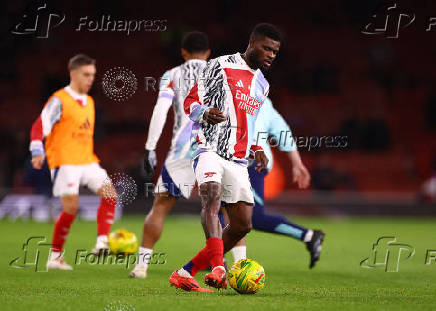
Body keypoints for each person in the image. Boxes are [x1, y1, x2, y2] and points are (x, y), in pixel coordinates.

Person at [169, 23, 280, 292]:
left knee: (242, 224)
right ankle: (219, 268)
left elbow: (249, 120)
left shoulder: (262, 85)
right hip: (208, 147)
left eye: (275, 52)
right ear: (252, 42)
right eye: (266, 48)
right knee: (211, 198)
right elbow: (191, 101)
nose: (271, 55)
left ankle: (185, 272)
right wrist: (204, 113)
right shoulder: (220, 65)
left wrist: (255, 147)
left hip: (238, 158)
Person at [129, 32, 211, 278]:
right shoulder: (220, 71)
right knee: (223, 207)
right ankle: (224, 264)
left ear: (183, 52)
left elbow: (160, 110)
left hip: (183, 148)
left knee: (160, 206)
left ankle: (142, 266)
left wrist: (150, 147)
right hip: (216, 147)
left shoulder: (172, 75)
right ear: (208, 53)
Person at [29, 54, 116, 270]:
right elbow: (39, 125)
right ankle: (55, 257)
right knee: (71, 208)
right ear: (73, 74)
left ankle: (102, 242)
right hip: (64, 160)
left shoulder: (91, 102)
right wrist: (37, 150)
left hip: (87, 159)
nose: (90, 79)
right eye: (86, 75)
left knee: (110, 195)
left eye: (93, 75)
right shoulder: (59, 99)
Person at [224, 97, 325, 269]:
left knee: (251, 217)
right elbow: (281, 130)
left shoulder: (258, 99)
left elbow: (281, 131)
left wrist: (297, 163)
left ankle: (308, 236)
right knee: (222, 207)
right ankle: (220, 260)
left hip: (253, 164)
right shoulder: (250, 94)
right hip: (230, 161)